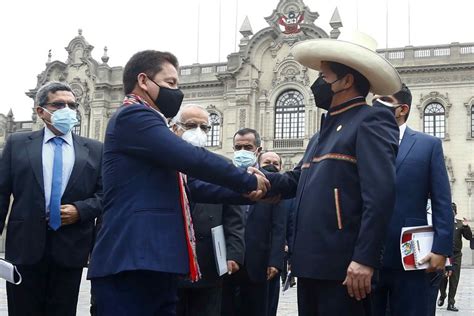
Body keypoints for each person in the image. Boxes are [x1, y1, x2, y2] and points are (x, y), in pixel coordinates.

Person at [87, 50, 269, 316]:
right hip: (132, 259)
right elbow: (190, 158)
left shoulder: (150, 124)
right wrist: (246, 179)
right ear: (144, 80)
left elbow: (191, 185)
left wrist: (252, 192)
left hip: (155, 262)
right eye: (170, 83)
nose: (176, 91)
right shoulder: (134, 116)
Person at [262, 31, 402, 315]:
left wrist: (365, 258)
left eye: (323, 77)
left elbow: (380, 195)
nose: (318, 84)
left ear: (347, 81)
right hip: (311, 264)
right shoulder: (322, 132)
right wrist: (260, 181)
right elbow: (298, 181)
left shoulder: (371, 120)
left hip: (345, 267)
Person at [0, 81, 103, 316]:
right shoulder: (18, 144)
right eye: (59, 105)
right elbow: (1, 193)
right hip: (24, 248)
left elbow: (106, 195)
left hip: (71, 249)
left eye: (72, 105)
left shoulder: (95, 149)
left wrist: (80, 210)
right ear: (40, 111)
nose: (67, 109)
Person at [371, 84, 453, 316]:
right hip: (368, 256)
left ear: (402, 109)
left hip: (411, 258)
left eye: (383, 100)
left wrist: (441, 248)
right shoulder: (363, 142)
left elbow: (442, 201)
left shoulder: (428, 145)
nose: (376, 105)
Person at [171, 104, 246, 316]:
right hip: (171, 258)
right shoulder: (164, 164)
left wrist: (234, 253)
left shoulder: (221, 164)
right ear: (175, 128)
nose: (198, 132)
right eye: (191, 125)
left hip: (210, 258)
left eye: (204, 127)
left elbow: (234, 216)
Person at [221, 135, 287, 316]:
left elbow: (278, 226)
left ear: (257, 150)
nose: (242, 151)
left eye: (248, 147)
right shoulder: (225, 177)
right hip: (229, 262)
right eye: (238, 146)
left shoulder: (269, 181)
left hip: (258, 261)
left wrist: (275, 260)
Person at [438, 202, 472, 312]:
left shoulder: (460, 224)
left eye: (453, 211)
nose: (451, 213)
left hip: (456, 255)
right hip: (445, 255)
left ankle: (451, 303)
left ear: (455, 212)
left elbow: (468, 237)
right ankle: (443, 295)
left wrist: (466, 227)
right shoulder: (442, 223)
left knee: (454, 279)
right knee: (443, 277)